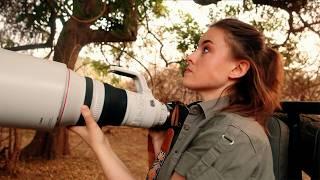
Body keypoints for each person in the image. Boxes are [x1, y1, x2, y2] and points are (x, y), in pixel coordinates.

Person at [69, 18, 283, 180]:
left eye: (206, 49)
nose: (190, 56)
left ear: (237, 68)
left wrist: (102, 146)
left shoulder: (229, 135)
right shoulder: (202, 119)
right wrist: (100, 143)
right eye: (196, 47)